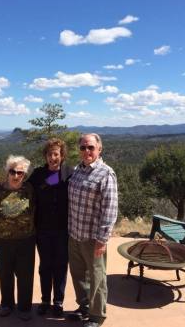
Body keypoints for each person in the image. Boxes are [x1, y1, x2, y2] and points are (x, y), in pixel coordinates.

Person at [67, 133, 118, 327]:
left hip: (93, 237)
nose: (87, 151)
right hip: (74, 234)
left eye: (91, 147)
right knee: (79, 274)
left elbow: (110, 209)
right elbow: (54, 182)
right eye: (83, 148)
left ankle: (97, 316)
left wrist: (102, 239)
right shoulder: (76, 171)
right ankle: (84, 307)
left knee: (97, 277)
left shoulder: (106, 174)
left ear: (99, 149)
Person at [0, 155, 35, 321]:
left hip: (26, 240)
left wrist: (67, 172)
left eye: (20, 172)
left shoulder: (30, 189)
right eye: (13, 171)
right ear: (7, 172)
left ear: (24, 175)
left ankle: (24, 308)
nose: (16, 175)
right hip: (2, 240)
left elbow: (53, 182)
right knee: (5, 274)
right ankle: (7, 304)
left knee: (25, 276)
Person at [28, 138, 73, 317]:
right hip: (43, 229)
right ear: (45, 156)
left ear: (62, 156)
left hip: (64, 230)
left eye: (56, 154)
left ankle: (58, 302)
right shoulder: (38, 174)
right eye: (49, 154)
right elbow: (25, 190)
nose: (52, 157)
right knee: (45, 266)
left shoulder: (70, 172)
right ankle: (45, 300)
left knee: (61, 266)